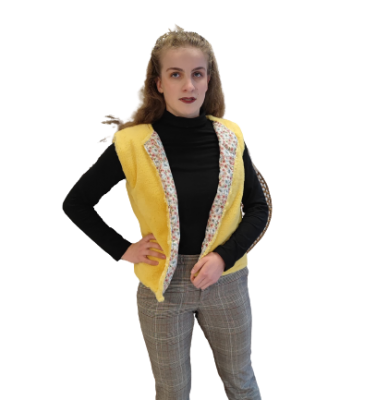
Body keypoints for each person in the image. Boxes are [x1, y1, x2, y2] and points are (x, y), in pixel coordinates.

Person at [61, 24, 271, 400]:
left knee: (242, 383)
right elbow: (76, 203)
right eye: (176, 74)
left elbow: (258, 207)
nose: (188, 85)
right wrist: (124, 249)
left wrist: (223, 257)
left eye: (197, 74)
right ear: (159, 84)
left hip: (227, 282)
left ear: (209, 81)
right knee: (172, 392)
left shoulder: (233, 135)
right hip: (161, 287)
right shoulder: (130, 144)